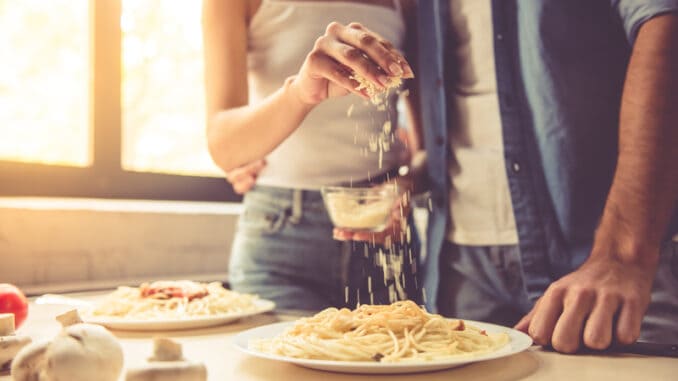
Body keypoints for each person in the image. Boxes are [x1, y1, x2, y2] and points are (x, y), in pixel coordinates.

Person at [412, 0, 678, 354]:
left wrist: (624, 251)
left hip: (604, 261)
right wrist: (413, 173)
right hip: (461, 262)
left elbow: (663, 19)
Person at [201, 0, 421, 311]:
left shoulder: (410, 4)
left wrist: (405, 185)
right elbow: (222, 145)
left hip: (385, 242)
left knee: (407, 353)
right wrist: (301, 93)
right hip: (280, 239)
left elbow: (429, 149)